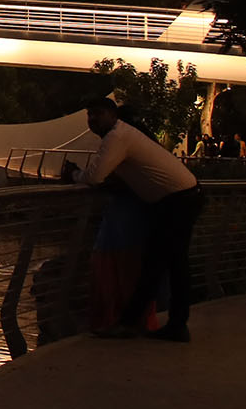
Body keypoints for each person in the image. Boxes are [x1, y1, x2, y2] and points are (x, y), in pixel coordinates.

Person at [74, 97, 204, 341]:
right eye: (90, 114)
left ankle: (136, 323)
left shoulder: (116, 137)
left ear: (113, 116)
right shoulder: (124, 134)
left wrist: (74, 175)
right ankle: (169, 325)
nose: (93, 119)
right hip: (183, 197)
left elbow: (95, 176)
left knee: (160, 263)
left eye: (98, 113)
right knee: (167, 264)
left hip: (176, 202)